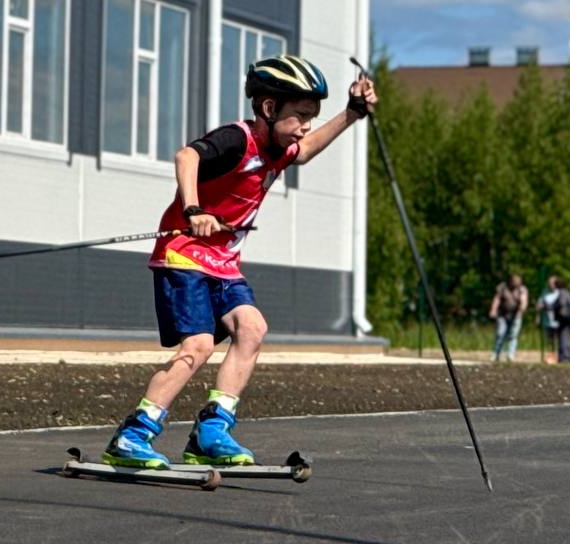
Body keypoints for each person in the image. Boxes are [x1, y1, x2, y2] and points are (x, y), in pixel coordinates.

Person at [102, 54, 378, 468]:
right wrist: (194, 210)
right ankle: (133, 434)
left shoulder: (279, 150)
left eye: (311, 117)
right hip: (183, 256)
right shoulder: (238, 139)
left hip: (223, 264)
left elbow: (306, 151)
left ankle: (211, 431)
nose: (305, 126)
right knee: (196, 347)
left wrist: (352, 114)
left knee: (252, 328)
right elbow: (186, 157)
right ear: (269, 109)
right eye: (300, 116)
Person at [488, 273, 529, 362]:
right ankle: (496, 353)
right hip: (502, 315)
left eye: (518, 281)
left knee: (513, 335)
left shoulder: (522, 289)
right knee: (500, 333)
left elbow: (523, 301)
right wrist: (493, 310)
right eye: (515, 281)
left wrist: (522, 309)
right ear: (510, 281)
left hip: (516, 316)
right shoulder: (503, 287)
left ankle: (510, 355)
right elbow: (497, 299)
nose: (516, 283)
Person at [537, 275, 570, 364]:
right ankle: (567, 357)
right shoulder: (566, 293)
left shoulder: (562, 293)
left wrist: (548, 306)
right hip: (565, 319)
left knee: (564, 339)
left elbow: (560, 305)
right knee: (565, 339)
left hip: (565, 320)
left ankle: (565, 358)